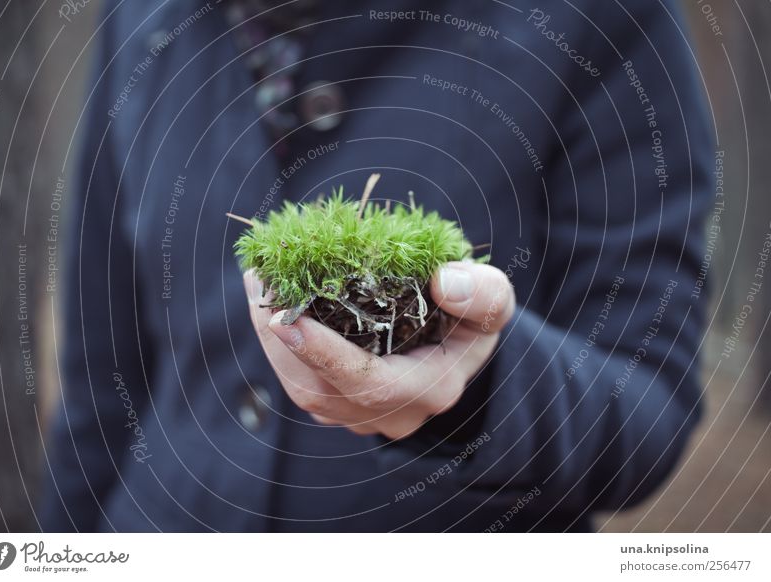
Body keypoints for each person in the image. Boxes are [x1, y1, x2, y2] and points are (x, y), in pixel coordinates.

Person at [42, 0, 714, 532]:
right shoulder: (137, 12)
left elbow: (648, 405)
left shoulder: (598, 16)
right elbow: (100, 390)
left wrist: (475, 391)